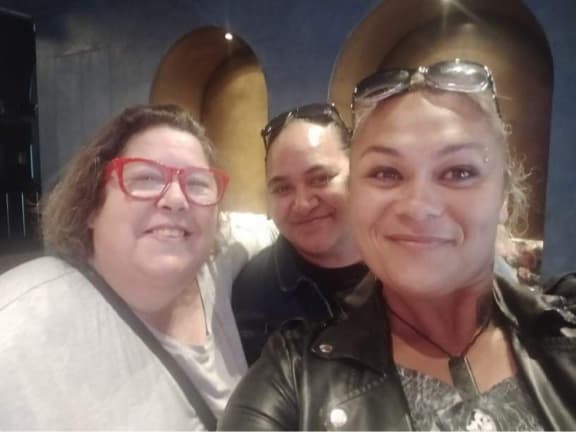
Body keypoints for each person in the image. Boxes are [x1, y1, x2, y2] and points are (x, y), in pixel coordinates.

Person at [221, 59, 576, 430]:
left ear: (503, 196)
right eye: (386, 173)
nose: (419, 207)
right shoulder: (291, 369)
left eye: (459, 172)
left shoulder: (561, 321)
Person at [0, 104, 274, 430]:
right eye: (146, 177)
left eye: (198, 183)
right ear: (91, 204)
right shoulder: (19, 320)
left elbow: (283, 225)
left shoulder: (220, 258)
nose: (176, 198)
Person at [231, 103, 369, 365]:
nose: (303, 204)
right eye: (283, 189)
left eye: (320, 178)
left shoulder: (411, 261)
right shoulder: (252, 296)